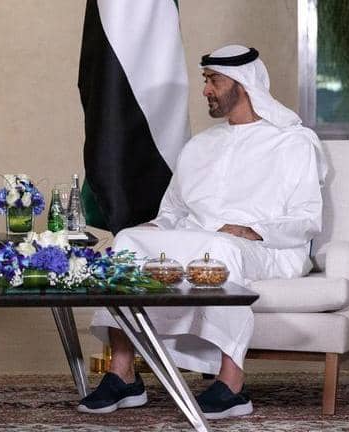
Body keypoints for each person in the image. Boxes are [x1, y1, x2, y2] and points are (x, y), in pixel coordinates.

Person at [77, 45, 327, 419]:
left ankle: (232, 385)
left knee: (220, 249)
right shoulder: (200, 145)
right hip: (197, 239)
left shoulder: (293, 141)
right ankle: (123, 374)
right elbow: (173, 212)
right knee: (127, 240)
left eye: (214, 81)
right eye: (205, 80)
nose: (206, 90)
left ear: (243, 83)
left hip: (269, 247)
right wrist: (152, 229)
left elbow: (308, 218)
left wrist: (253, 229)